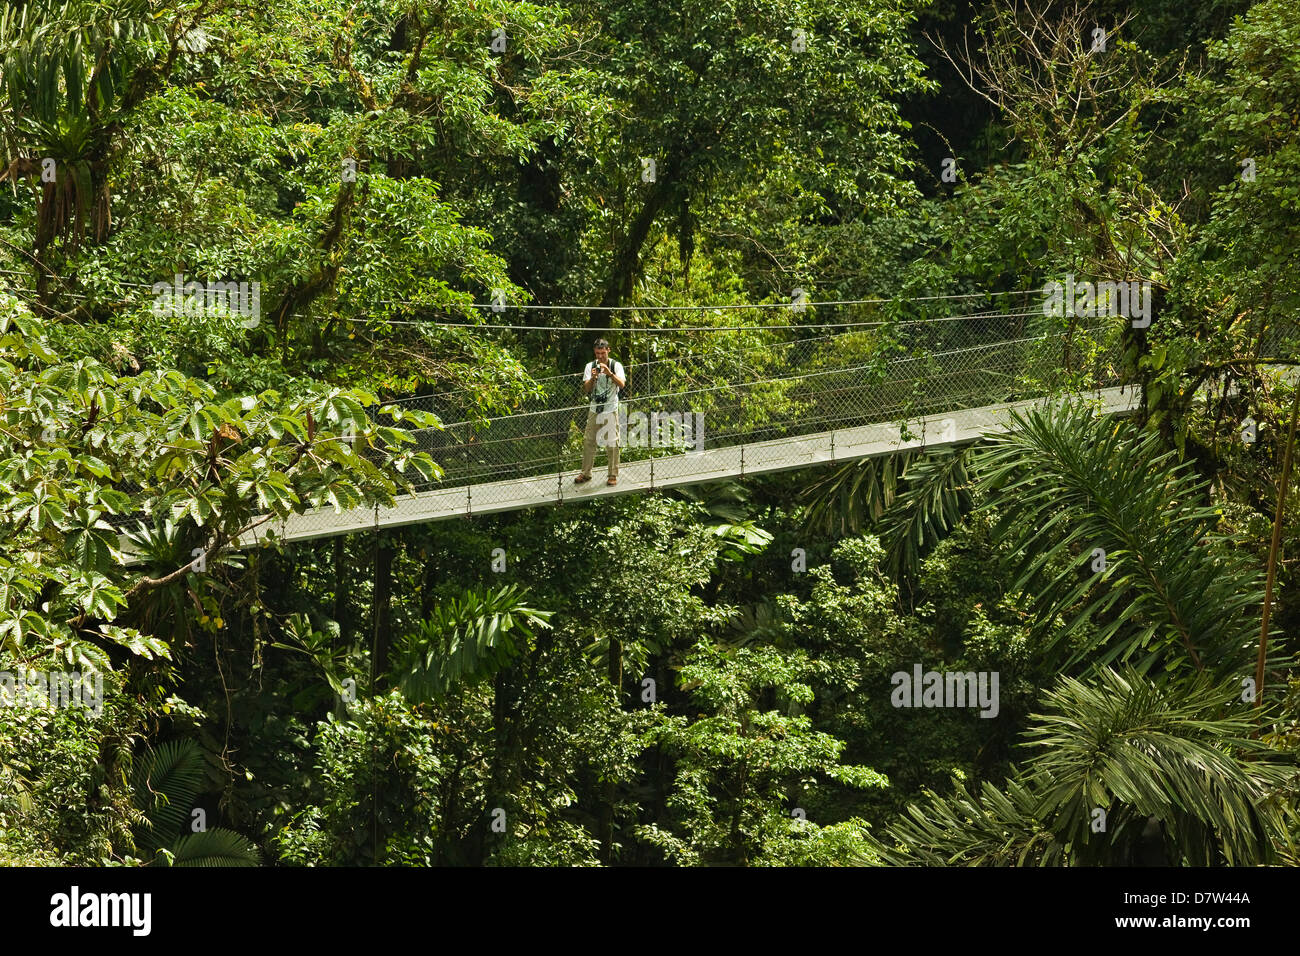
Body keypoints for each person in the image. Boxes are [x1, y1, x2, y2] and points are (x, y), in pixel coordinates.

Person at [575, 338, 625, 486]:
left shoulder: (616, 365)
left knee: (612, 443)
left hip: (610, 409)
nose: (600, 357)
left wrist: (609, 373)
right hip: (594, 409)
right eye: (598, 353)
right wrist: (594, 377)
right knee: (589, 441)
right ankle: (586, 473)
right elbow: (587, 389)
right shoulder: (590, 366)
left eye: (603, 353)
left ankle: (612, 475)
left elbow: (622, 385)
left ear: (608, 350)